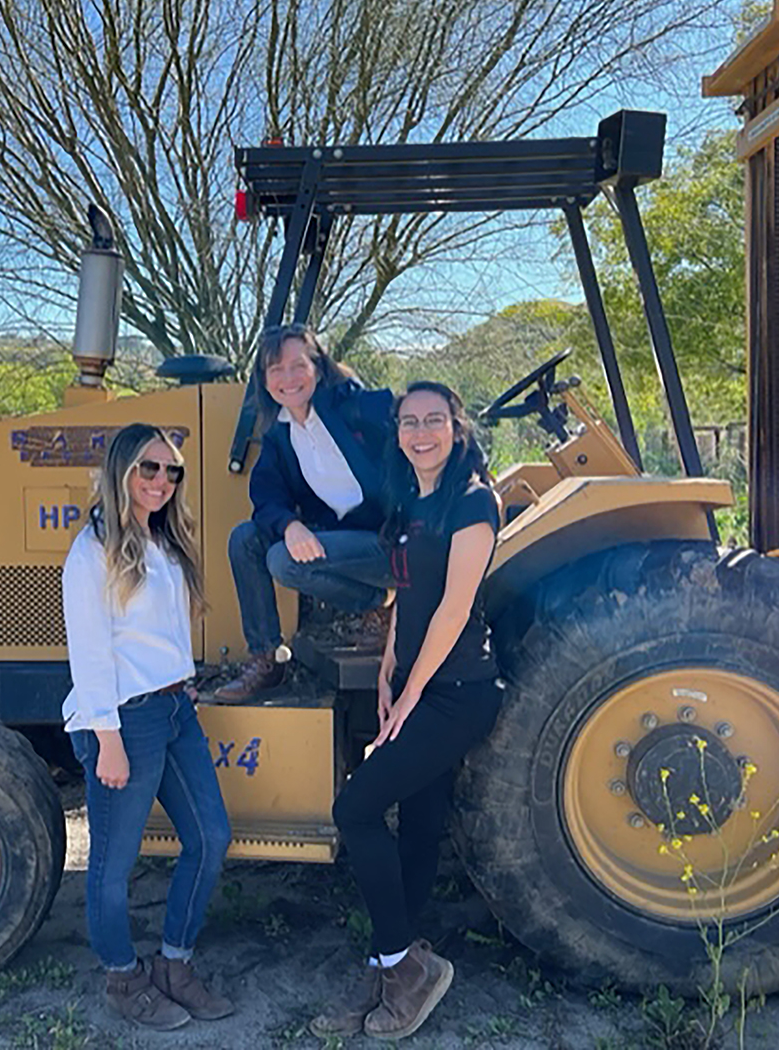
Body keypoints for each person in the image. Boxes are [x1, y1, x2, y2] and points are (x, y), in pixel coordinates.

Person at [311, 381, 504, 1042]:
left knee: (356, 808)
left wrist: (415, 689)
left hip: (459, 691)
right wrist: (390, 667)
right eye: (410, 421)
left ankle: (402, 963)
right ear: (398, 430)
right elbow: (406, 592)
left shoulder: (475, 500)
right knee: (419, 823)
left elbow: (453, 608)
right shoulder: (406, 498)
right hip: (418, 682)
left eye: (435, 420)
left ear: (457, 426)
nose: (421, 431)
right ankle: (393, 958)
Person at [62, 423, 234, 1031]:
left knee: (211, 836)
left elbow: (159, 631)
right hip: (124, 722)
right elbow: (89, 651)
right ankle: (121, 977)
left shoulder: (161, 542)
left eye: (171, 471)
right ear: (122, 471)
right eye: (149, 469)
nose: (161, 481)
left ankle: (174, 966)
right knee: (114, 862)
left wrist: (181, 677)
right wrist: (106, 738)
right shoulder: (92, 550)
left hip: (172, 710)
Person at [216, 325, 396, 703]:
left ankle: (377, 605)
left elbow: (423, 429)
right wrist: (290, 524)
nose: (288, 378)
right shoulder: (280, 432)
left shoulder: (358, 407)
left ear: (318, 366)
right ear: (263, 381)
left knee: (283, 561)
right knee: (245, 539)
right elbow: (266, 495)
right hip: (341, 542)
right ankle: (267, 658)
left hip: (390, 543)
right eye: (275, 369)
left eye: (297, 365)